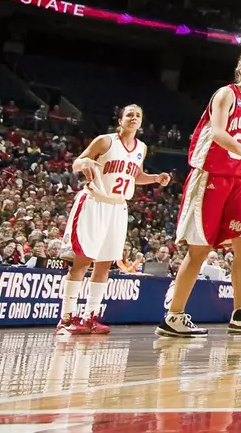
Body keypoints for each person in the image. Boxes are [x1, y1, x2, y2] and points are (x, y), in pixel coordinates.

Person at [159, 47, 241, 338]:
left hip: (239, 179)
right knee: (200, 250)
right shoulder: (226, 94)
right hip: (211, 175)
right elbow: (219, 133)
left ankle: (240, 313)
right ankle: (174, 316)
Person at [58, 104, 169, 336]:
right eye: (129, 114)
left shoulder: (141, 147)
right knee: (83, 261)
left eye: (138, 115)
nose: (133, 118)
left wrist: (155, 178)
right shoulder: (105, 141)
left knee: (104, 264)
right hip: (95, 201)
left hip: (118, 207)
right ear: (120, 120)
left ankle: (91, 316)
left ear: (141, 122)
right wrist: (85, 163)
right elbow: (77, 162)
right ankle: (67, 318)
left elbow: (135, 175)